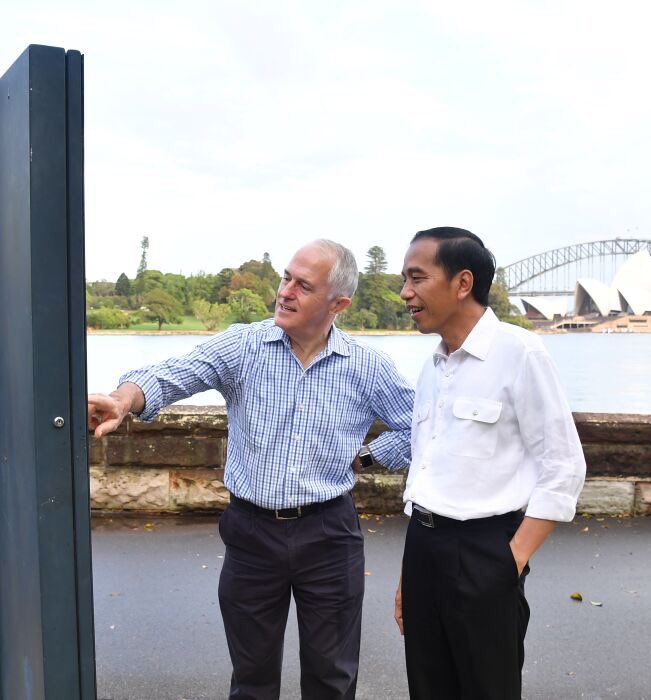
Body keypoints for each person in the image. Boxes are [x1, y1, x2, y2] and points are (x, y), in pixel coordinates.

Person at [87, 239, 414, 700]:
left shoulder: (367, 366)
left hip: (329, 534)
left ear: (338, 303)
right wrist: (123, 400)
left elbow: (420, 426)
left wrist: (366, 457)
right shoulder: (245, 345)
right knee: (252, 679)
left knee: (333, 678)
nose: (285, 292)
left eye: (304, 285)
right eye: (286, 278)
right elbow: (173, 372)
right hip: (251, 534)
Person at [394, 226, 586, 699]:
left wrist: (511, 561)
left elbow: (563, 465)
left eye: (417, 278)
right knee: (428, 685)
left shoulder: (520, 353)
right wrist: (408, 575)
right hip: (423, 546)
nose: (406, 292)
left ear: (462, 283)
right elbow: (427, 472)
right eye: (405, 279)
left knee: (487, 687)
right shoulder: (434, 364)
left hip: (483, 549)